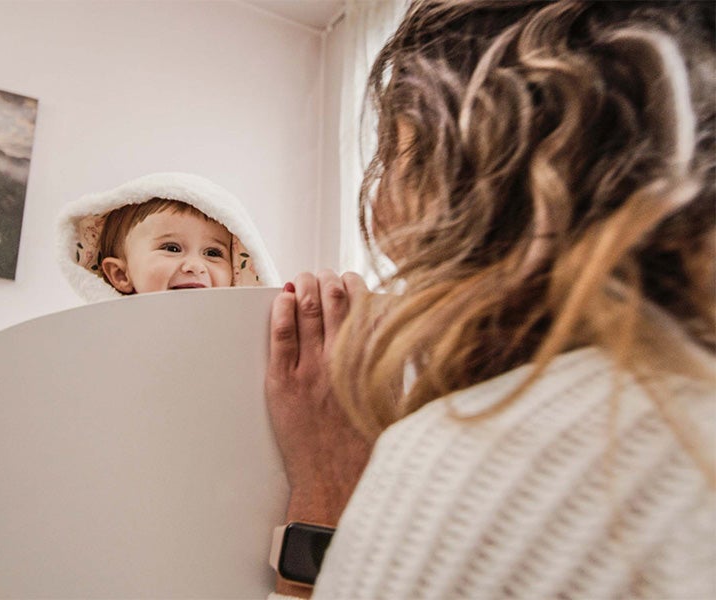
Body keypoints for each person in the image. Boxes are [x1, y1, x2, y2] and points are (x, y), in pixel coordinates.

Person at [265, 1, 715, 598]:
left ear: (460, 179)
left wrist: (327, 492)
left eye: (390, 159)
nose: (377, 214)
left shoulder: (470, 463)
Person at [56, 172, 280, 302]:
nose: (195, 266)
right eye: (172, 248)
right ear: (121, 274)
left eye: (213, 253)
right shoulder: (104, 335)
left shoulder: (238, 338)